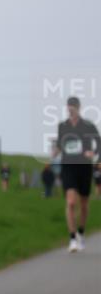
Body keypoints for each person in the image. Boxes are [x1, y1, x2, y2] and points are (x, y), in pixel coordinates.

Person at [54, 96, 100, 252]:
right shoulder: (62, 126)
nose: (71, 109)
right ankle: (72, 238)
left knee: (84, 204)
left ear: (79, 108)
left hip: (84, 167)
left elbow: (99, 144)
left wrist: (93, 154)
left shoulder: (88, 126)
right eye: (69, 106)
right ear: (67, 108)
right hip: (68, 167)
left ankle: (81, 231)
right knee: (71, 202)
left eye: (74, 106)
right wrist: (55, 151)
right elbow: (60, 144)